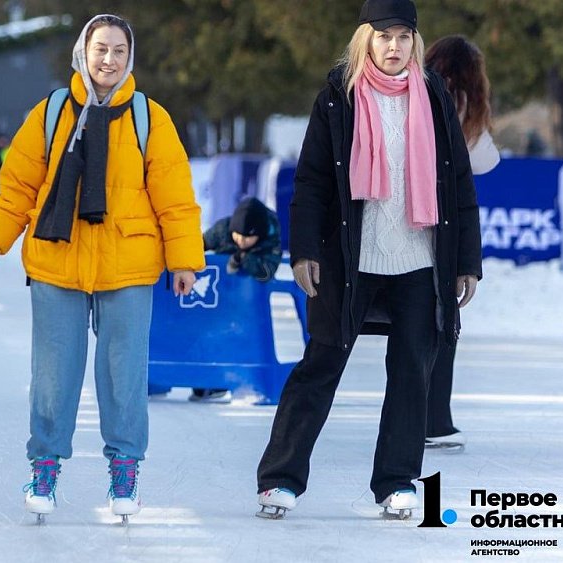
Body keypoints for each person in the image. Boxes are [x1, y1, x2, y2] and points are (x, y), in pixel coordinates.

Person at [255, 0, 482, 520]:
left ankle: (396, 481)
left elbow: (459, 183)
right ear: (366, 40)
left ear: (415, 43)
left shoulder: (434, 97)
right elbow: (311, 180)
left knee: (411, 373)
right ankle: (280, 478)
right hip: (350, 260)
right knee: (320, 365)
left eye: (404, 37)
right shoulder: (339, 97)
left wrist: (466, 259)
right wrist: (305, 250)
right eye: (383, 36)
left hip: (419, 259)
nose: (394, 47)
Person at [0, 14, 204, 523]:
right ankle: (46, 467)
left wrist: (185, 259)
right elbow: (19, 184)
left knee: (124, 374)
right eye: (101, 49)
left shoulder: (149, 118)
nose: (109, 60)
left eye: (119, 50)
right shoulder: (53, 111)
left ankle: (125, 469)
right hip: (58, 259)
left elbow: (175, 197)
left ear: (130, 57)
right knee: (54, 375)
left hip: (129, 264)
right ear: (83, 53)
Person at [423, 34, 499, 451]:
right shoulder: (464, 104)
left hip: (401, 218)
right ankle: (434, 421)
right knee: (441, 322)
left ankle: (413, 418)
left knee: (410, 325)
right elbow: (485, 160)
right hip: (444, 225)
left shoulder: (416, 90)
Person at [191, 196, 282, 402]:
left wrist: (242, 259)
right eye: (237, 235)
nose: (240, 240)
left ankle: (245, 385)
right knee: (207, 336)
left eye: (247, 237)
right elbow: (197, 246)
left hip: (248, 306)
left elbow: (267, 271)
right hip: (218, 297)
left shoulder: (270, 236)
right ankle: (204, 383)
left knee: (239, 340)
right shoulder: (223, 229)